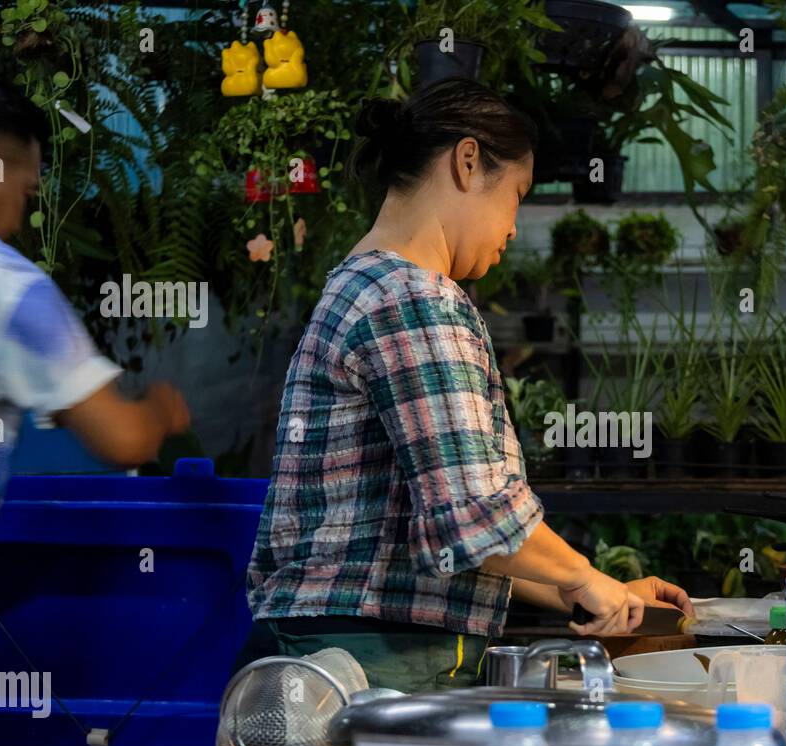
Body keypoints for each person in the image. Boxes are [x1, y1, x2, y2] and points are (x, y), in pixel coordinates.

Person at [242, 79, 692, 692]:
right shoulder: (411, 297)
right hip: (364, 657)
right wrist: (583, 573)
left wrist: (587, 593)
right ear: (468, 160)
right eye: (516, 196)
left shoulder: (368, 284)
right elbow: (475, 513)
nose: (512, 229)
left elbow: (451, 540)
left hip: (350, 650)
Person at [0, 76, 191, 656]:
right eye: (28, 194)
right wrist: (161, 410)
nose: (18, 218)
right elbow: (122, 438)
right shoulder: (1, 281)